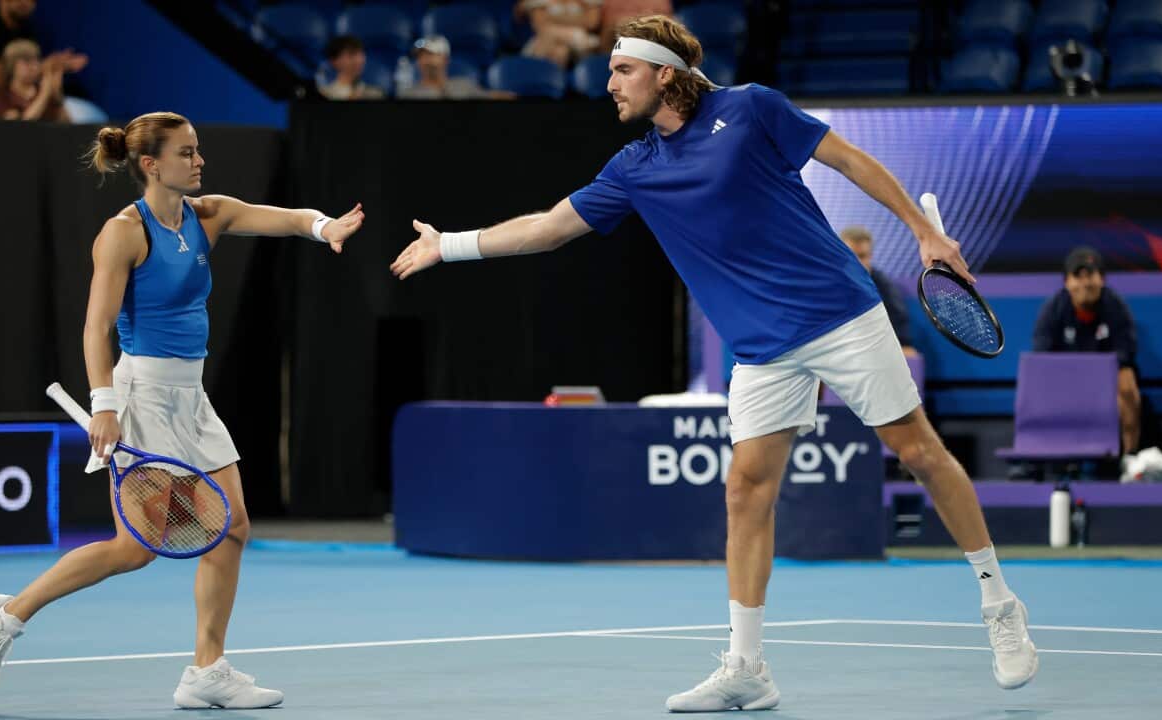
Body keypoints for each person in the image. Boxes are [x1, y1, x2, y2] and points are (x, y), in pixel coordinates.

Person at [390, 15, 1037, 711]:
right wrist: (450, 245)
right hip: (760, 347)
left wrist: (923, 230)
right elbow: (548, 227)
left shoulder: (751, 107)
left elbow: (848, 159)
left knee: (916, 450)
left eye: (622, 71)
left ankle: (999, 604)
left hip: (837, 313)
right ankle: (747, 668)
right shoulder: (634, 168)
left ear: (664, 73)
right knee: (744, 490)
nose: (607, 84)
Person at [0, 111, 365, 708]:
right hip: (140, 397)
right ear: (151, 164)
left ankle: (207, 671)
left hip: (191, 396)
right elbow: (96, 328)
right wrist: (103, 406)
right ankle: (5, 616)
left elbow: (286, 219)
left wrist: (326, 226)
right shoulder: (124, 232)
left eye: (198, 150)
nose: (199, 161)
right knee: (135, 549)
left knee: (232, 527)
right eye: (186, 153)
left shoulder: (209, 214)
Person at [1034, 246, 1141, 454]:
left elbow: (1126, 351)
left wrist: (1098, 374)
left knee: (1127, 380)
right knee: (1037, 382)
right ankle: (1039, 460)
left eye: (1090, 275)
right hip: (1065, 383)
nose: (1085, 283)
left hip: (1106, 385)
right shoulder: (1054, 309)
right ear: (1067, 282)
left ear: (1102, 279)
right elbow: (1042, 355)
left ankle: (1129, 456)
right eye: (1077, 276)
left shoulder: (1115, 306)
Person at [0, 0, 86, 116]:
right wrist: (45, 68)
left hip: (2, 95)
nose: (26, 3)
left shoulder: (26, 29)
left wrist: (53, 73)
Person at [840, 225, 919, 357]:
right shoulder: (828, 284)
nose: (857, 262)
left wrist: (903, 344)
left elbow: (898, 318)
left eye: (862, 256)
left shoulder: (883, 286)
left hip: (873, 348)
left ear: (870, 256)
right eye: (852, 255)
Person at [397, 35, 511, 100]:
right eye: (420, 56)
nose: (426, 59)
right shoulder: (409, 94)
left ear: (445, 59)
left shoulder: (463, 85)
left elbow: (489, 96)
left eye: (431, 54)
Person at [0, 38, 67, 121]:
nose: (34, 67)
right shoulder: (3, 94)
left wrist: (57, 96)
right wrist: (44, 93)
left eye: (36, 61)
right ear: (12, 64)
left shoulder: (41, 90)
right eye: (27, 62)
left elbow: (66, 123)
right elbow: (22, 126)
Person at [517, 0, 601, 68]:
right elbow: (540, 25)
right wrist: (577, 19)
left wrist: (552, 18)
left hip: (579, 46)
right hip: (548, 41)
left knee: (552, 34)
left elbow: (591, 23)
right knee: (560, 51)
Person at [318, 34, 384, 101]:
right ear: (334, 61)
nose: (359, 60)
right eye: (351, 54)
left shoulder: (374, 94)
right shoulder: (325, 93)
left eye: (361, 54)